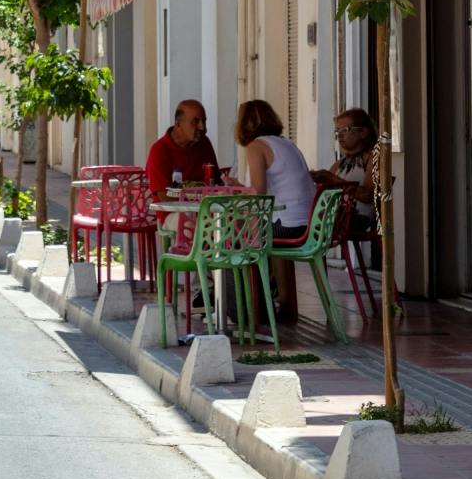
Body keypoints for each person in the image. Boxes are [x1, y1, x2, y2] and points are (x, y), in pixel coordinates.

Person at [232, 99, 314, 322]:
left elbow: (259, 195)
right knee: (254, 232)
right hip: (308, 224)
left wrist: (237, 189)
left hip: (288, 227)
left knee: (234, 237)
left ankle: (252, 311)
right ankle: (284, 307)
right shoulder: (287, 144)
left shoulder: (256, 147)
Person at [313, 107, 378, 239]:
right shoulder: (341, 164)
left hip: (356, 218)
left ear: (363, 132)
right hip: (335, 216)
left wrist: (331, 178)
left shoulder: (374, 158)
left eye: (345, 130)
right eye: (338, 131)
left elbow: (368, 195)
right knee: (295, 221)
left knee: (300, 224)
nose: (340, 135)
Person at [144, 99, 219, 194]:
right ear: (178, 123)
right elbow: (163, 197)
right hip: (176, 208)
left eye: (203, 121)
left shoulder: (204, 143)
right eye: (195, 122)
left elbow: (216, 181)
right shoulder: (160, 150)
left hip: (206, 207)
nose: (202, 127)